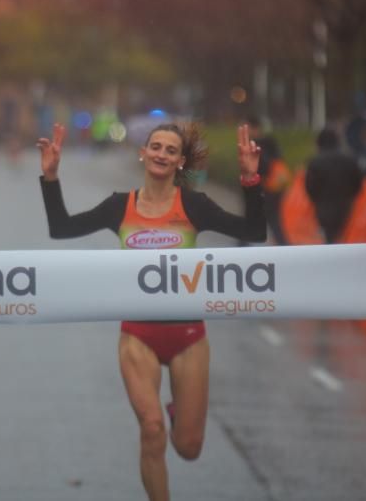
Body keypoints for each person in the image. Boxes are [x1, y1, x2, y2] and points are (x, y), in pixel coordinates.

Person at [37, 122, 265, 501]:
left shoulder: (193, 205)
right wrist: (50, 177)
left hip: (188, 335)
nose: (161, 154)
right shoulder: (119, 206)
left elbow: (255, 233)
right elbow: (61, 229)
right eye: (155, 147)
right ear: (143, 153)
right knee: (151, 429)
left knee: (188, 448)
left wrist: (250, 178)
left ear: (180, 162)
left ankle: (179, 412)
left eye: (170, 150)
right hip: (138, 334)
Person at [304, 127, 364, 243]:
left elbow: (310, 185)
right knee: (343, 234)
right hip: (345, 203)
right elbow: (358, 181)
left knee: (329, 235)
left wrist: (316, 200)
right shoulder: (349, 159)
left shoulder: (315, 161)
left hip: (323, 205)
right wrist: (351, 195)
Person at [246, 115, 289, 245]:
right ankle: (284, 245)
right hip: (276, 187)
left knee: (268, 220)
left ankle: (284, 246)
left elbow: (263, 167)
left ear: (255, 128)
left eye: (248, 128)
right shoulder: (271, 142)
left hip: (265, 189)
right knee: (272, 220)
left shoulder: (257, 145)